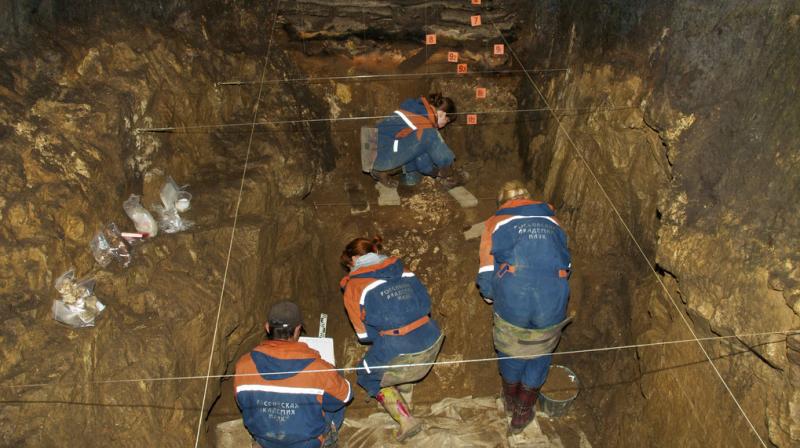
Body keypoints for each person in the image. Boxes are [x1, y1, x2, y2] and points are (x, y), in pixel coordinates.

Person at [475, 181, 572, 434]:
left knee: (512, 346)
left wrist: (489, 294)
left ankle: (510, 400)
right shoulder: (554, 222)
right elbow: (566, 263)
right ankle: (523, 411)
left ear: (503, 203)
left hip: (515, 293)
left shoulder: (495, 222)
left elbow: (486, 271)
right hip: (554, 293)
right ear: (529, 199)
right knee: (541, 348)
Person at [339, 236, 442, 442]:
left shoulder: (354, 286)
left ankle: (406, 420)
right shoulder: (403, 270)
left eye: (349, 264)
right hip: (432, 336)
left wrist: (387, 331)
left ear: (356, 258)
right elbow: (426, 305)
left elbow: (364, 336)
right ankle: (405, 388)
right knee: (396, 352)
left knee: (366, 373)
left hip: (399, 345)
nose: (350, 269)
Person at [234, 301, 352, 448]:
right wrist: (330, 372)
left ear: (267, 327)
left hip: (265, 440)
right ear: (298, 329)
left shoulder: (244, 364)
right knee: (336, 386)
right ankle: (328, 439)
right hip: (308, 443)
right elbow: (346, 396)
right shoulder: (319, 369)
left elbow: (242, 402)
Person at [371, 93, 466, 189]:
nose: (444, 125)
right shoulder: (424, 125)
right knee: (431, 135)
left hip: (378, 152)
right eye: (447, 121)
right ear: (442, 114)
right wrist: (447, 168)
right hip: (381, 153)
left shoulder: (418, 112)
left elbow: (420, 155)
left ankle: (382, 171)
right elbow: (431, 143)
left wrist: (436, 172)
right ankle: (451, 176)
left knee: (426, 141)